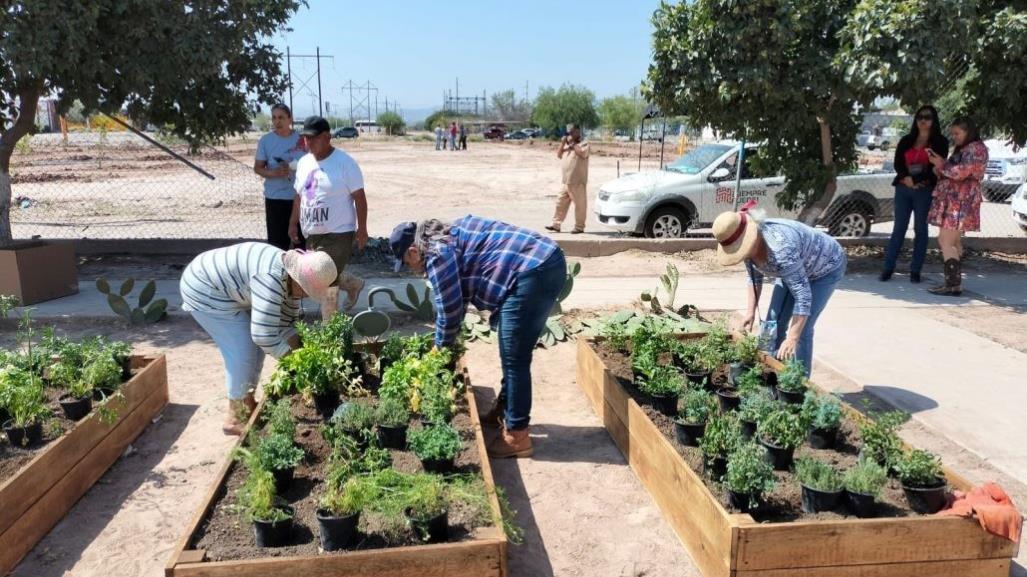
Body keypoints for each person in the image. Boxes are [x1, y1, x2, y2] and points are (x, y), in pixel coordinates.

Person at [390, 216, 566, 458]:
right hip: (545, 261)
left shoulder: (437, 254)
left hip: (533, 270)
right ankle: (506, 411)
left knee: (515, 356)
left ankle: (518, 436)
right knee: (513, 350)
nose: (411, 268)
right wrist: (446, 345)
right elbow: (458, 298)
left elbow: (450, 311)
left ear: (413, 251)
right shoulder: (448, 234)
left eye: (406, 262)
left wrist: (440, 349)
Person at [181, 244, 336, 435]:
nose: (305, 295)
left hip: (228, 289)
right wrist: (297, 365)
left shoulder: (290, 280)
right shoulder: (270, 279)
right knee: (243, 348)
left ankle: (247, 403)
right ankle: (234, 418)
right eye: (306, 291)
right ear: (299, 280)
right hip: (205, 289)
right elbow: (263, 335)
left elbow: (285, 325)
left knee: (254, 349)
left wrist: (304, 356)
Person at [715, 207, 847, 377]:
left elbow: (803, 296)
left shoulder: (781, 250)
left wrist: (792, 338)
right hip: (794, 269)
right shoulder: (749, 251)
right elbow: (754, 278)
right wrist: (750, 312)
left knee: (802, 331)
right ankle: (770, 373)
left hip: (826, 267)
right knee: (773, 323)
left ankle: (799, 386)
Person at [289, 116, 368, 315]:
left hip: (339, 233)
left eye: (313, 138)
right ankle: (352, 284)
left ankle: (329, 324)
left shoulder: (345, 163)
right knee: (318, 274)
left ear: (327, 137)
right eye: (305, 138)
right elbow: (299, 197)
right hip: (312, 234)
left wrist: (362, 230)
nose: (308, 142)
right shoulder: (304, 163)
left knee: (324, 276)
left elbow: (359, 197)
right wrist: (292, 224)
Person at [880, 105, 949, 283]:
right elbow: (897, 163)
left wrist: (916, 180)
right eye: (920, 117)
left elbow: (938, 167)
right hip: (903, 189)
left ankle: (915, 271)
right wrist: (906, 177)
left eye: (927, 117)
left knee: (921, 230)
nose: (923, 121)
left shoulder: (940, 142)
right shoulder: (906, 140)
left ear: (934, 120)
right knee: (898, 229)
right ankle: (888, 268)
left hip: (924, 190)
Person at [927, 116, 988, 296]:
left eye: (957, 133)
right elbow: (952, 170)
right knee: (952, 241)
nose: (954, 137)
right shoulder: (969, 148)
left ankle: (952, 284)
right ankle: (953, 282)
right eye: (953, 133)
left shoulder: (976, 149)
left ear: (968, 132)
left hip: (959, 200)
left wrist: (940, 164)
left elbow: (960, 172)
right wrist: (941, 165)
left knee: (945, 240)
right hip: (956, 198)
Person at [254, 104, 306, 250]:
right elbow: (258, 168)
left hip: (300, 199)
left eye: (281, 117)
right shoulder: (266, 141)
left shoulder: (303, 140)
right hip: (275, 199)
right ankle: (278, 272)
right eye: (274, 118)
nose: (277, 122)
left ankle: (301, 273)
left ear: (290, 119)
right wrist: (274, 173)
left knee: (301, 244)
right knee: (277, 246)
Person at [545, 123, 590, 234]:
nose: (569, 134)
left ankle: (579, 227)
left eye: (571, 132)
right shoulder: (568, 145)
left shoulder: (584, 143)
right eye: (568, 132)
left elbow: (582, 153)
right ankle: (556, 225)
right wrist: (563, 143)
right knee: (560, 202)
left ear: (577, 131)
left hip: (577, 181)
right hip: (566, 181)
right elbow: (559, 154)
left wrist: (572, 143)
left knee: (580, 205)